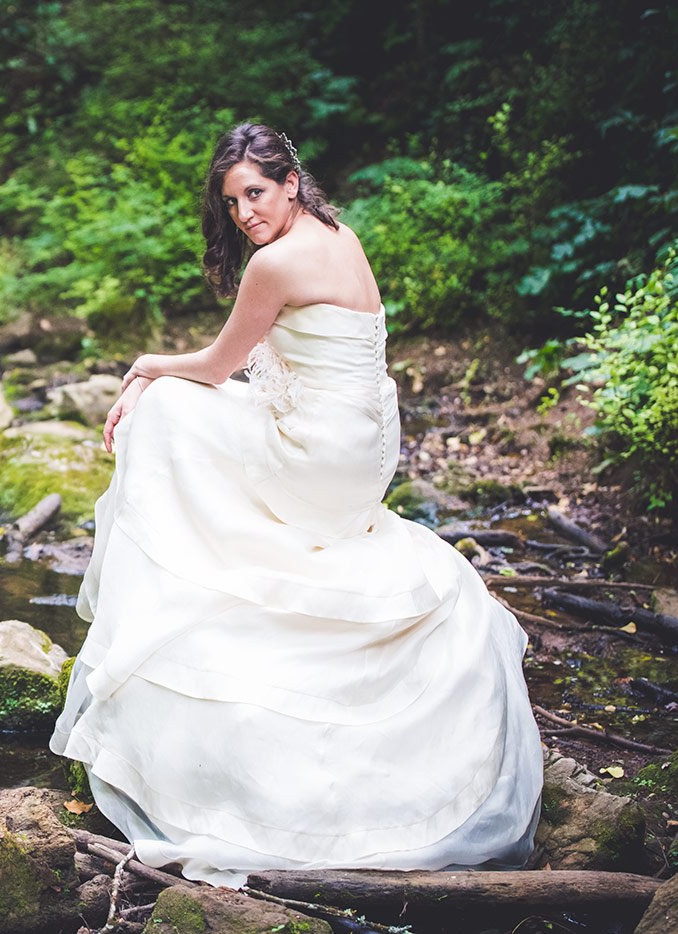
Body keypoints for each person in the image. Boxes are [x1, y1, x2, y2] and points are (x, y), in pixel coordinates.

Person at [49, 123, 543, 888]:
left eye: (255, 193)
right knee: (179, 408)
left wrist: (145, 367)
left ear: (289, 182)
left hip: (314, 460)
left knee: (169, 412)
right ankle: (213, 563)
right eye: (232, 202)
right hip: (360, 452)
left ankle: (186, 586)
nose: (245, 213)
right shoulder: (338, 233)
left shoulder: (275, 264)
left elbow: (219, 365)